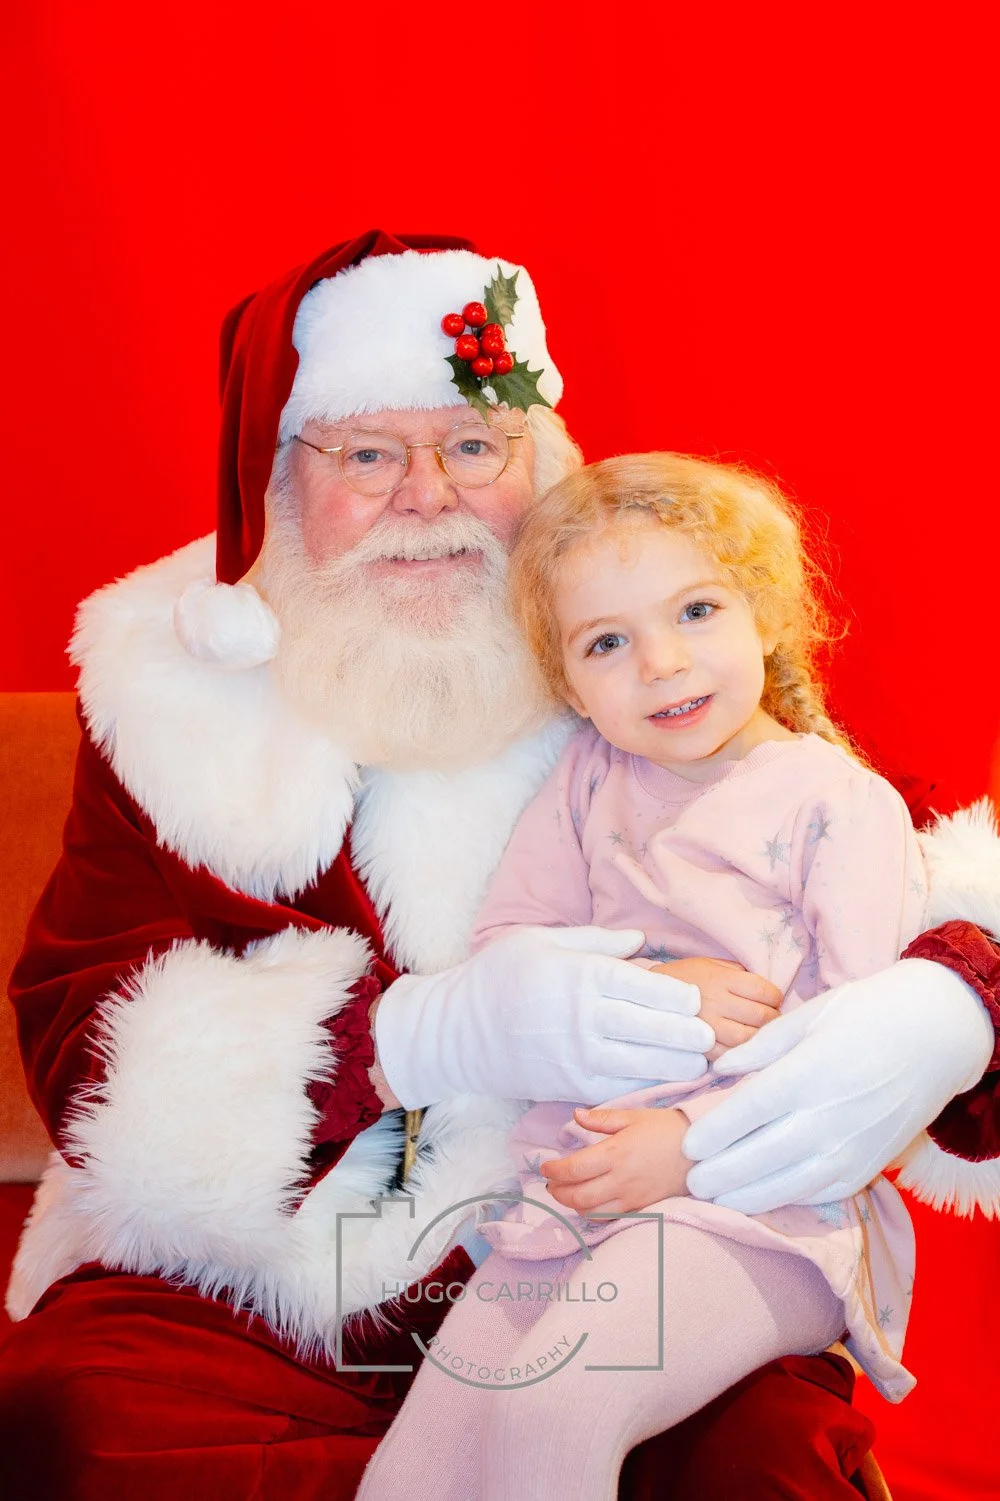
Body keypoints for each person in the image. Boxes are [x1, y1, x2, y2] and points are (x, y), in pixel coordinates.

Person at [0, 231, 998, 1501]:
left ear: (536, 463)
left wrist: (948, 1000)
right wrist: (415, 1037)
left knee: (763, 1465)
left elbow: (899, 858)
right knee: (75, 1426)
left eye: (473, 446)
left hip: (629, 1222)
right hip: (254, 1286)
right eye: (368, 454)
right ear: (279, 479)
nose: (428, 494)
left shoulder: (632, 640)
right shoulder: (170, 699)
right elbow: (80, 1030)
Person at [355, 451, 927, 1501]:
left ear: (765, 615)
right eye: (607, 643)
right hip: (568, 1194)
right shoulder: (588, 778)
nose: (661, 663)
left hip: (759, 1212)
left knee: (551, 1403)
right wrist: (653, 987)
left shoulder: (835, 803)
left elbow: (858, 1066)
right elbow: (513, 948)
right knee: (423, 1461)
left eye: (696, 610)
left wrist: (688, 1148)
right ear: (569, 683)